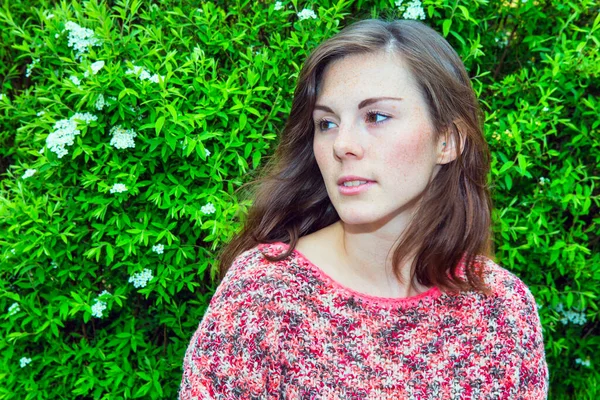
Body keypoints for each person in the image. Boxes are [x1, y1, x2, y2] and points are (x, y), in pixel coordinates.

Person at [179, 18, 549, 399]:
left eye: (376, 116)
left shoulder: (500, 308)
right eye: (327, 123)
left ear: (448, 140)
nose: (343, 144)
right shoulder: (263, 294)